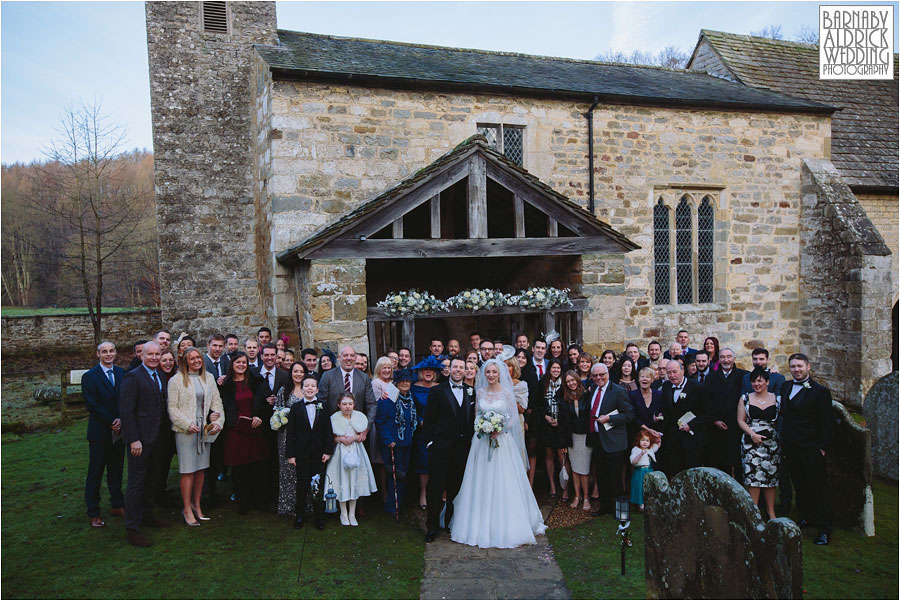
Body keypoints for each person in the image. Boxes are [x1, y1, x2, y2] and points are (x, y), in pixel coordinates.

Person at [449, 359, 546, 548]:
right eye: (488, 372)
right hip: (482, 442)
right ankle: (478, 523)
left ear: (500, 373)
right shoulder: (481, 393)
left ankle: (507, 524)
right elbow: (477, 415)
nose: (491, 375)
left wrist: (499, 428)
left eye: (494, 372)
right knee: (480, 481)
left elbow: (512, 420)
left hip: (502, 442)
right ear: (484, 375)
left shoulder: (507, 393)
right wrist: (483, 428)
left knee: (504, 481)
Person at [119, 341, 171, 547]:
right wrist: (133, 439)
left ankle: (147, 515)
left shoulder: (159, 376)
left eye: (158, 354)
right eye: (150, 354)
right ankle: (132, 528)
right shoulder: (133, 377)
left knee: (152, 479)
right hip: (139, 440)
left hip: (158, 438)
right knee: (136, 484)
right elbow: (126, 411)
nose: (155, 358)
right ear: (141, 356)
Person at [780, 353, 834, 545]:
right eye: (793, 366)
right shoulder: (786, 386)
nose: (796, 370)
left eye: (800, 366)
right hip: (791, 448)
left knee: (818, 488)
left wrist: (821, 447)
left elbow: (827, 423)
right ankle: (807, 517)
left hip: (811, 448)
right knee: (800, 486)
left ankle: (825, 528)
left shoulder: (819, 392)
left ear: (808, 367)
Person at [167, 347, 224, 526]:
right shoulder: (176, 380)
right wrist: (186, 423)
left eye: (198, 358)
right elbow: (172, 408)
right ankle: (186, 508)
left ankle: (197, 504)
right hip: (186, 431)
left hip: (204, 430)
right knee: (188, 470)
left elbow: (217, 403)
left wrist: (217, 423)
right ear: (185, 361)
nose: (196, 361)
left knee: (200, 469)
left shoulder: (209, 378)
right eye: (192, 359)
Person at [422, 357, 473, 542]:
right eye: (455, 367)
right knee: (435, 488)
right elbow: (429, 420)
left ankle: (451, 523)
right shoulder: (437, 391)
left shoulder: (470, 391)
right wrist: (430, 443)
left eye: (462, 367)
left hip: (462, 450)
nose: (458, 370)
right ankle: (432, 526)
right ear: (449, 370)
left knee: (456, 488)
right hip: (440, 449)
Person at [83, 341, 126, 528]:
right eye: (104, 352)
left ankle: (117, 505)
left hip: (119, 432)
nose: (108, 354)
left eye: (111, 351)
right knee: (96, 473)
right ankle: (93, 512)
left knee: (116, 471)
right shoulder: (90, 377)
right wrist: (111, 421)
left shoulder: (121, 373)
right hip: (100, 432)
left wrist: (121, 419)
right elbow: (92, 404)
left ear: (116, 353)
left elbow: (125, 399)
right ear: (98, 354)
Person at [220, 351, 269, 515]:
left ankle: (259, 499)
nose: (241, 365)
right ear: (232, 365)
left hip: (254, 428)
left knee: (258, 466)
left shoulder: (255, 380)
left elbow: (265, 400)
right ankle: (244, 500)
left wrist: (259, 415)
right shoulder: (225, 384)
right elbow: (223, 406)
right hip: (236, 430)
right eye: (238, 362)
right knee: (240, 468)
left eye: (244, 362)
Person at [584, 363, 634, 516]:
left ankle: (621, 513)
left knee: (616, 479)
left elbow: (629, 415)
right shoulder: (593, 390)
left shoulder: (619, 391)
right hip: (598, 439)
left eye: (601, 375)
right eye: (595, 375)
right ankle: (605, 507)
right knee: (602, 476)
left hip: (614, 442)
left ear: (608, 374)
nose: (598, 378)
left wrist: (610, 418)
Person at [285, 375, 333, 530]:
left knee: (317, 486)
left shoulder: (324, 407)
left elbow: (327, 431)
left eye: (313, 386)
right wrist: (290, 455)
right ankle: (300, 515)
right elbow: (290, 432)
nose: (310, 388)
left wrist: (327, 451)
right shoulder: (296, 408)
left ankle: (319, 516)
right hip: (301, 453)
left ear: (317, 389)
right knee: (302, 485)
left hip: (319, 453)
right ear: (302, 389)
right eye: (307, 386)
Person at [326, 394, 378, 526]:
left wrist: (354, 438)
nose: (347, 406)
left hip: (356, 451)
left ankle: (352, 513)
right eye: (344, 404)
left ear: (354, 404)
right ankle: (343, 513)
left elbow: (362, 437)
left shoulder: (359, 418)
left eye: (350, 403)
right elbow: (331, 438)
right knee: (342, 480)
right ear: (339, 405)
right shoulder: (334, 419)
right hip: (340, 453)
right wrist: (340, 439)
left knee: (354, 480)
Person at [737, 368, 781, 520]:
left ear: (767, 382)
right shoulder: (745, 398)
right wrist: (752, 434)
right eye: (754, 381)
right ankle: (753, 513)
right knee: (753, 478)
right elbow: (740, 420)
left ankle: (770, 512)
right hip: (751, 443)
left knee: (770, 477)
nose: (757, 384)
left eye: (760, 381)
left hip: (771, 444)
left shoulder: (777, 399)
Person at [660, 359, 714, 476]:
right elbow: (667, 410)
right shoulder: (666, 387)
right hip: (673, 442)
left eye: (675, 372)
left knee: (692, 475)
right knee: (675, 474)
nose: (672, 375)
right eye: (669, 373)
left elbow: (710, 413)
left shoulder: (698, 388)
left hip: (693, 441)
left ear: (683, 370)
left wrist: (691, 425)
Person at [376, 368, 417, 516]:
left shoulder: (410, 398)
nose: (405, 383)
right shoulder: (387, 400)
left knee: (404, 475)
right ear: (397, 383)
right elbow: (380, 422)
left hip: (407, 441)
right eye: (402, 381)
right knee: (395, 476)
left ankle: (401, 505)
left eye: (408, 381)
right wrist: (388, 440)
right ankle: (392, 507)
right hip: (393, 443)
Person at [704, 348, 748, 477]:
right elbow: (707, 402)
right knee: (722, 462)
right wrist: (714, 420)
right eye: (722, 357)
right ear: (719, 359)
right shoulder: (711, 377)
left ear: (734, 359)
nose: (726, 360)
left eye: (729, 357)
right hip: (718, 425)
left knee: (738, 461)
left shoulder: (744, 376)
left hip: (737, 424)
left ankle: (739, 492)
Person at [274, 362, 308, 515]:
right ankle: (288, 505)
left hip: (305, 435)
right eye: (295, 371)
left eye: (301, 371)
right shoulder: (284, 390)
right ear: (291, 373)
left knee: (304, 469)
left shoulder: (309, 388)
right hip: (286, 435)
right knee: (288, 470)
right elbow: (277, 411)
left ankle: (306, 504)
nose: (298, 374)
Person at [410, 355, 442, 510]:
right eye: (425, 370)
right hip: (421, 431)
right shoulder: (413, 388)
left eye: (431, 370)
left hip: (438, 431)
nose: (428, 372)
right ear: (421, 372)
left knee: (439, 462)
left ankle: (438, 493)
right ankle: (423, 493)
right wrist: (420, 420)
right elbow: (410, 408)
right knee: (423, 462)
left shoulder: (440, 387)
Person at [558, 371, 590, 511]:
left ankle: (587, 497)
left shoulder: (587, 395)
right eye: (568, 381)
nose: (571, 383)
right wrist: (563, 443)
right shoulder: (565, 399)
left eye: (573, 380)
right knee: (576, 469)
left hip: (585, 437)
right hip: (572, 438)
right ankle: (577, 496)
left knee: (585, 470)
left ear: (577, 380)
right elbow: (563, 423)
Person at [539, 358, 565, 497]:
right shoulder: (543, 383)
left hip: (561, 424)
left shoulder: (565, 383)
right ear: (549, 369)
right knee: (548, 455)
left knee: (561, 456)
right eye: (553, 368)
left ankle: (565, 487)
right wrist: (546, 416)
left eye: (558, 368)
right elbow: (539, 403)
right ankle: (552, 486)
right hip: (547, 422)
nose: (556, 370)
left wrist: (559, 420)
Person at [505, 355, 529, 470]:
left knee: (516, 456)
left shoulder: (521, 385)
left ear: (514, 368)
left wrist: (508, 394)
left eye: (508, 366)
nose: (505, 368)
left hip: (516, 423)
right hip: (501, 425)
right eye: (503, 365)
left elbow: (522, 409)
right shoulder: (495, 384)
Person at [629, 430, 660, 511]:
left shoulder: (650, 449)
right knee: (640, 487)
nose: (645, 442)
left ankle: (649, 502)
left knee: (649, 486)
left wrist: (658, 437)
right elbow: (633, 461)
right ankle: (641, 504)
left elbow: (658, 445)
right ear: (638, 441)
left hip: (649, 470)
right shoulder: (636, 449)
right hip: (640, 471)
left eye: (647, 440)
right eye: (642, 440)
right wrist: (641, 454)